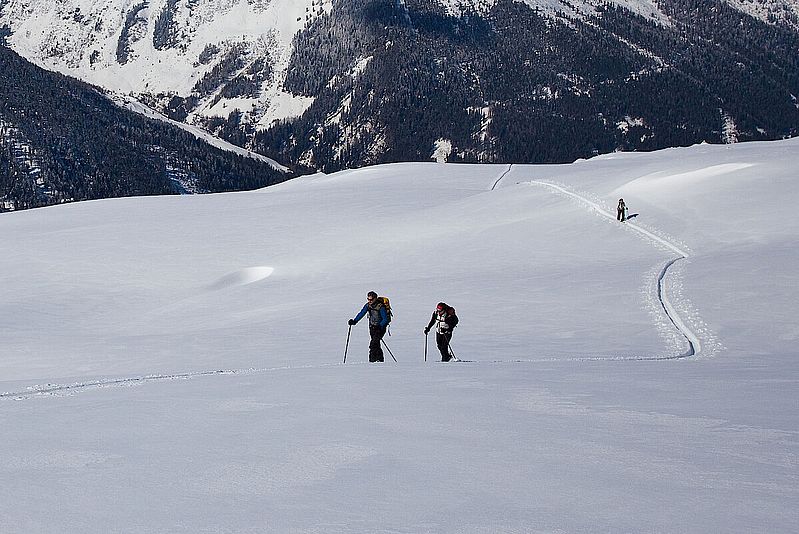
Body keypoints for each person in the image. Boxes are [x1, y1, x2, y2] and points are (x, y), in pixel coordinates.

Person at [348, 291, 389, 363]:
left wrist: (380, 326)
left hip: (380, 328)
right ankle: (379, 361)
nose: (369, 301)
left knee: (373, 344)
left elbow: (385, 319)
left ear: (375, 299)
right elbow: (362, 313)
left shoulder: (381, 307)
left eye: (371, 299)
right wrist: (354, 321)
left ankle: (372, 361)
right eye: (368, 299)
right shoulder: (368, 306)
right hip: (372, 327)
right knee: (376, 344)